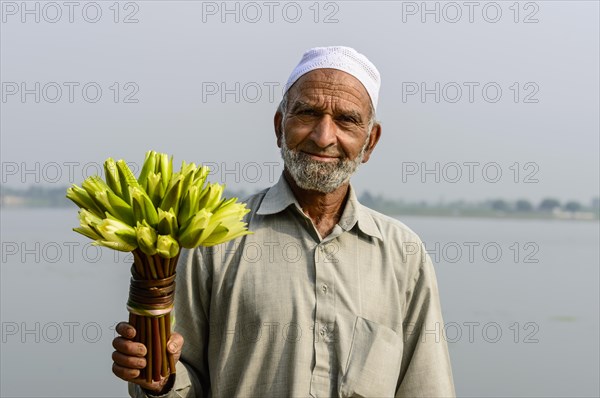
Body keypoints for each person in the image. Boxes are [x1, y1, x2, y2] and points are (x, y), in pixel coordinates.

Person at [112, 46, 456, 397]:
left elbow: (426, 387)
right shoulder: (216, 240)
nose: (323, 137)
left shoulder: (403, 255)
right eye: (307, 114)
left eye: (346, 120)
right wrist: (159, 379)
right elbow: (173, 377)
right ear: (280, 127)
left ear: (370, 143)